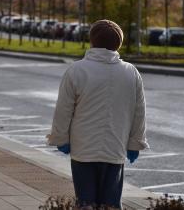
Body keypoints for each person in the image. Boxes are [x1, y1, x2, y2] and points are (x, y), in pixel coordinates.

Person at [48, 20, 149, 209]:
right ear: (118, 44)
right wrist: (135, 143)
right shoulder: (131, 72)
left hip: (83, 150)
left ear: (92, 41)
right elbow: (139, 111)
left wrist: (61, 138)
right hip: (115, 149)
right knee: (111, 203)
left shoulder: (76, 71)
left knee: (85, 202)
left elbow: (63, 110)